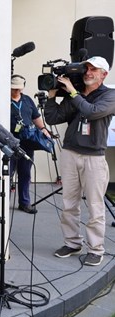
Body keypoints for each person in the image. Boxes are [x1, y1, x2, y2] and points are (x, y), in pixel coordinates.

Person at [44, 56, 115, 266]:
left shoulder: (110, 95)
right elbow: (53, 118)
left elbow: (92, 113)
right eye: (87, 69)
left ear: (104, 74)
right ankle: (73, 243)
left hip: (94, 156)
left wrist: (73, 93)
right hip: (70, 153)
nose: (88, 73)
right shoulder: (75, 94)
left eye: (94, 69)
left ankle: (96, 249)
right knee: (69, 203)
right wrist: (51, 97)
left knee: (94, 205)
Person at [9, 75, 50, 214]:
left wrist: (43, 129)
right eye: (13, 89)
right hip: (9, 142)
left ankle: (24, 203)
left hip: (27, 142)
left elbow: (36, 117)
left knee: (25, 173)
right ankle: (3, 203)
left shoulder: (27, 100)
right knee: (7, 174)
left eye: (18, 89)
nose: (16, 91)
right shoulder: (2, 99)